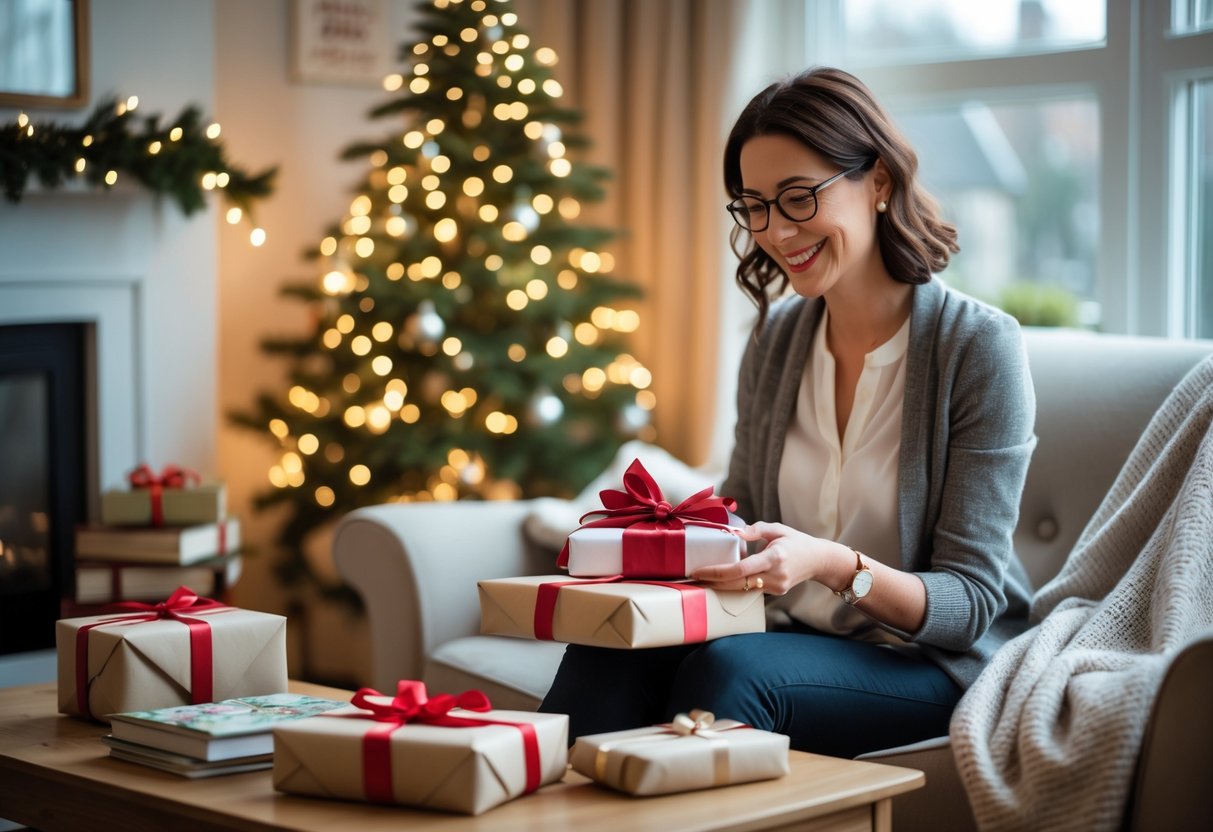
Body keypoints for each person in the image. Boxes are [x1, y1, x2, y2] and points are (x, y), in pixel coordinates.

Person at [539, 66, 1037, 758]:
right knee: (615, 644)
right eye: (754, 205)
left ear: (880, 182)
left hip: (927, 663)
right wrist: (673, 549)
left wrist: (831, 563)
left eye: (798, 197)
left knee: (730, 672)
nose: (774, 231)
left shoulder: (978, 348)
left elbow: (969, 602)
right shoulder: (776, 341)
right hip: (793, 636)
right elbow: (740, 516)